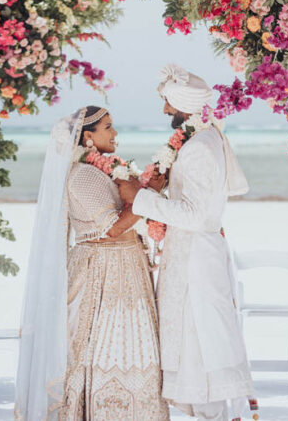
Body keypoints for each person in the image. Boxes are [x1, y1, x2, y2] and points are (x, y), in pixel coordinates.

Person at [117, 64, 254, 421]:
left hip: (196, 260)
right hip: (193, 253)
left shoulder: (198, 148)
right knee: (195, 345)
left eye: (168, 103)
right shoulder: (204, 139)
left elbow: (193, 214)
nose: (165, 111)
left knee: (200, 346)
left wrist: (140, 199)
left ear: (184, 104)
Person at [15, 106, 169, 421]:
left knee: (134, 347)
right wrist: (149, 194)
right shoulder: (84, 174)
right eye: (108, 127)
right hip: (103, 271)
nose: (115, 134)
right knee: (102, 348)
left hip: (126, 266)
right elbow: (112, 226)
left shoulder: (105, 170)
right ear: (88, 136)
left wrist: (149, 196)